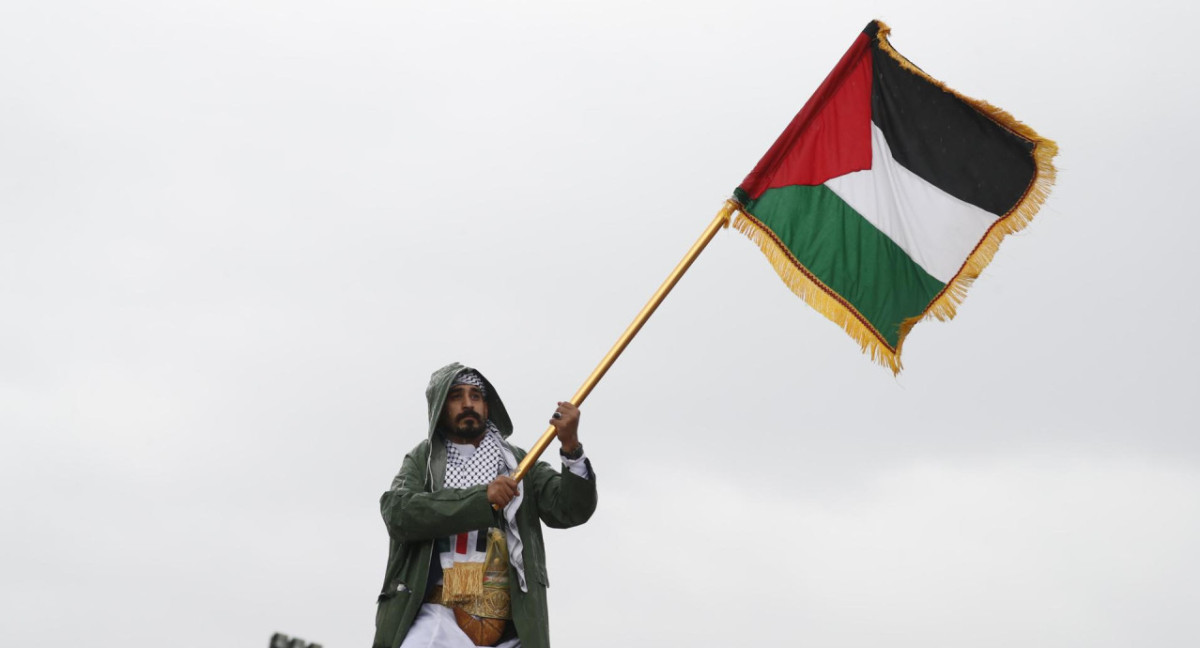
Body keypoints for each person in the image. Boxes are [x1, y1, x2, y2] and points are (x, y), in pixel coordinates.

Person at [373, 363, 597, 648]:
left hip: (509, 626)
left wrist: (570, 447)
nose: (468, 404)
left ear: (487, 407)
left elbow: (570, 509)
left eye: (476, 396)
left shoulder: (519, 463)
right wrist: (482, 500)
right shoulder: (424, 461)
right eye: (456, 396)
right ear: (441, 407)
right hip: (438, 619)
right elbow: (398, 513)